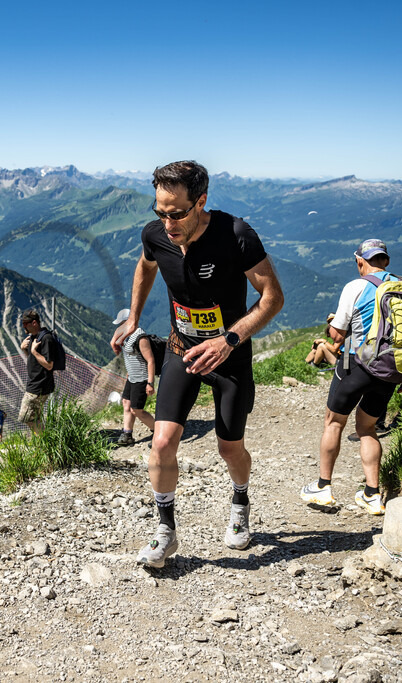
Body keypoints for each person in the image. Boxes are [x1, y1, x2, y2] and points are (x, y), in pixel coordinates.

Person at [110, 160, 284, 568]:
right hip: (181, 350)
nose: (167, 222)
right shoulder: (156, 235)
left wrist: (229, 339)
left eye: (176, 213)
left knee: (229, 447)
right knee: (163, 441)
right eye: (160, 211)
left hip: (229, 356)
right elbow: (145, 265)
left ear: (200, 202)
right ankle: (165, 532)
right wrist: (134, 316)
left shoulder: (235, 235)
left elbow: (273, 298)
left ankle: (240, 501)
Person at [300, 239, 402, 515]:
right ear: (385, 261)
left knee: (334, 422)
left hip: (357, 366)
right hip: (389, 371)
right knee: (367, 429)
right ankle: (372, 495)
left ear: (360, 261)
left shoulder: (356, 286)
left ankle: (323, 487)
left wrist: (332, 326)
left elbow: (337, 336)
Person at [113, 308, 157, 446]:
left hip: (142, 378)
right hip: (131, 377)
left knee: (136, 410)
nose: (120, 325)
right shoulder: (125, 336)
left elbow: (150, 360)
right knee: (126, 403)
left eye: (122, 323)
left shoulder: (140, 337)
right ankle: (127, 434)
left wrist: (150, 383)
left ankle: (158, 432)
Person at [18, 309, 58, 434]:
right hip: (35, 383)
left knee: (26, 416)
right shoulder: (34, 337)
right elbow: (34, 360)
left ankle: (43, 442)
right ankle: (43, 443)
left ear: (34, 323)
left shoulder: (46, 338)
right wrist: (25, 349)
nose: (23, 326)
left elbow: (49, 364)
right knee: (35, 417)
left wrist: (34, 351)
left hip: (39, 385)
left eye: (26, 323)